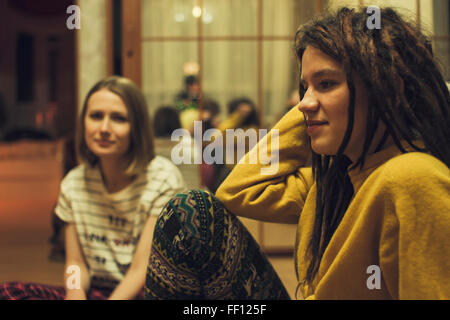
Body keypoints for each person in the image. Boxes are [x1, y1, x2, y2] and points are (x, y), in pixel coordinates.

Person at [144, 7, 450, 300]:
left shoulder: (413, 178)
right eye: (305, 88)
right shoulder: (333, 183)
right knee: (190, 211)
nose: (303, 102)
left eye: (327, 83)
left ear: (387, 89)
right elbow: (236, 191)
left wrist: (319, 106)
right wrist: (313, 108)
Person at [0, 76, 186, 300]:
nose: (104, 128)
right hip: (99, 292)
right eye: (96, 116)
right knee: (9, 292)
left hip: (147, 292)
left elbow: (141, 270)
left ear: (136, 127)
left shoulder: (162, 179)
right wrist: (75, 292)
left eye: (118, 118)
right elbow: (75, 264)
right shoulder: (74, 184)